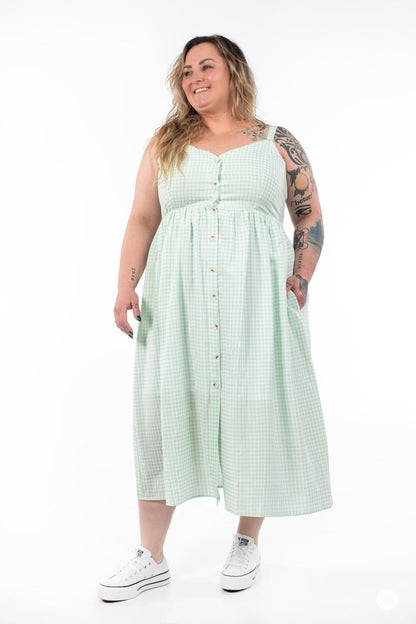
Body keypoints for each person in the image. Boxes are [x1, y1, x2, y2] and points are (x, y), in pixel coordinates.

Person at [97, 34, 333, 602]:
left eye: (206, 66)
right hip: (176, 301)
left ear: (233, 72)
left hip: (259, 303)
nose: (195, 78)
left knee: (256, 410)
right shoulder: (165, 143)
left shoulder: (277, 142)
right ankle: (151, 556)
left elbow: (308, 216)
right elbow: (142, 218)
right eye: (186, 72)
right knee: (163, 414)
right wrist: (126, 285)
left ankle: (247, 540)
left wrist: (301, 277)